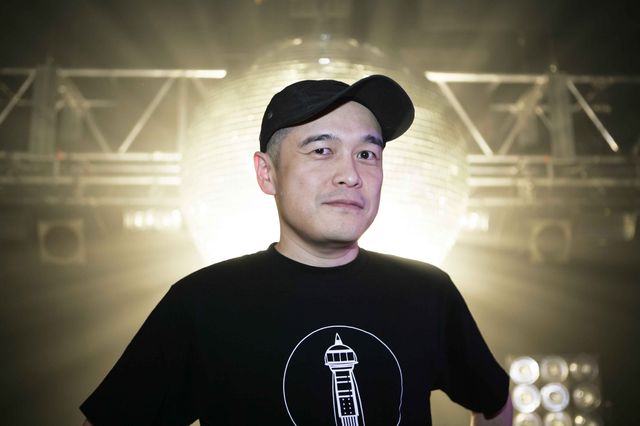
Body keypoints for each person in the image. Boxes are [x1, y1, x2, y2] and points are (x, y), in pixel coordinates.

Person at [81, 75, 512, 425]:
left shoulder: (428, 292)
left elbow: (494, 403)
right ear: (266, 173)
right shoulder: (202, 303)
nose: (350, 174)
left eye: (367, 154)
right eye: (322, 150)